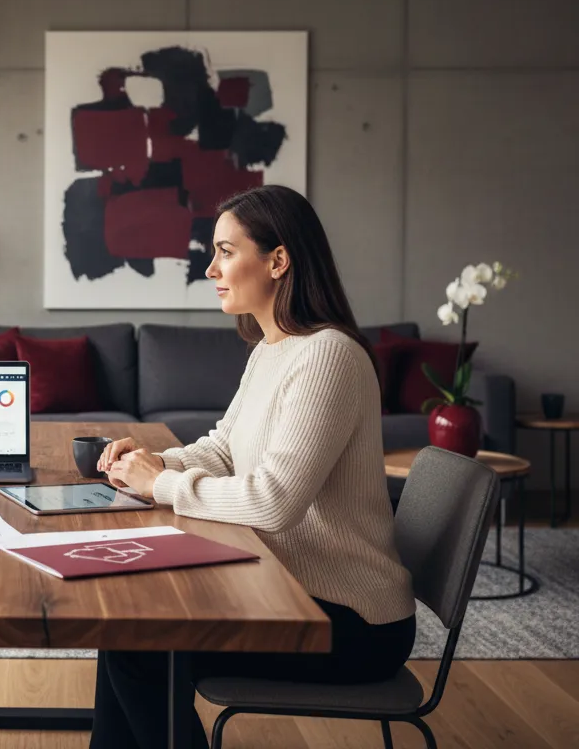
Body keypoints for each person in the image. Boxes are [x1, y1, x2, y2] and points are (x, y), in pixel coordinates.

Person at [91, 184, 416, 749]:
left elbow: (274, 501)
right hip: (287, 588)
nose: (211, 268)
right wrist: (152, 462)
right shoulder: (273, 348)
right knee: (125, 629)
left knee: (138, 647)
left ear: (278, 260)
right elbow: (223, 448)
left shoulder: (328, 356)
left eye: (225, 251)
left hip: (352, 621)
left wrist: (163, 484)